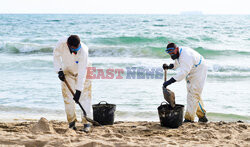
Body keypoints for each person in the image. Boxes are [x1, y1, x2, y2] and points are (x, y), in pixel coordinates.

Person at [53, 35, 92, 132]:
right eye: (74, 50)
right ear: (67, 45)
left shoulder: (84, 51)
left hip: (84, 72)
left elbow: (82, 73)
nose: (76, 52)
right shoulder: (61, 44)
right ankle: (71, 123)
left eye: (77, 49)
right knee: (68, 99)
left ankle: (87, 123)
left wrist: (78, 91)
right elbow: (56, 56)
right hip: (67, 72)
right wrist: (59, 71)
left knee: (85, 98)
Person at [162, 42, 208, 123]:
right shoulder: (178, 53)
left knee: (193, 94)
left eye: (172, 52)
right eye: (169, 53)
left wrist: (169, 82)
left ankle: (189, 119)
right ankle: (202, 116)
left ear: (176, 49)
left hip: (199, 70)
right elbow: (177, 64)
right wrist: (169, 67)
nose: (171, 54)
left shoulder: (186, 56)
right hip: (192, 69)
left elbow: (183, 72)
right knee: (193, 93)